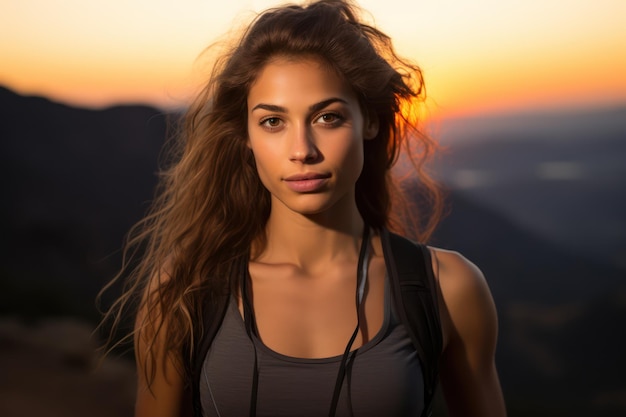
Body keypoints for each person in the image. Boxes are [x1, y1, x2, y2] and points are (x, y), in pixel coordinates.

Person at [99, 0, 506, 416]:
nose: (302, 151)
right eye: (273, 122)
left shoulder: (447, 289)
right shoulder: (186, 290)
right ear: (246, 135)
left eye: (327, 117)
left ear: (370, 120)